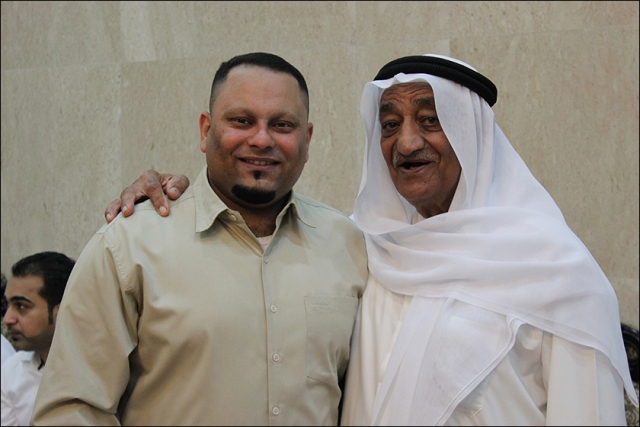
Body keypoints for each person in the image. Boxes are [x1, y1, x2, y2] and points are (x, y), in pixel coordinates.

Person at [111, 54, 638, 425]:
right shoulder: (368, 249)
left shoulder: (558, 274)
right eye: (389, 124)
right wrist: (179, 195)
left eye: (430, 120)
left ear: (473, 135)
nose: (406, 141)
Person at [32, 52, 368, 426]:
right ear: (205, 130)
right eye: (242, 121)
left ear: (307, 139)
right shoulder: (129, 246)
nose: (261, 139)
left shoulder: (347, 244)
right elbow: (71, 409)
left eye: (282, 125)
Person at [1, 252, 75, 426]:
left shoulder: (103, 371)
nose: (7, 319)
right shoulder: (13, 371)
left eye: (21, 306)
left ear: (61, 311)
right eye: (7, 305)